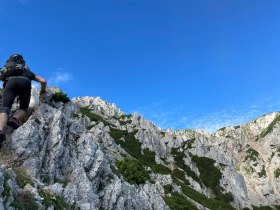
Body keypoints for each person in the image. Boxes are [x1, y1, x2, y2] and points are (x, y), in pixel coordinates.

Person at [0, 54, 47, 142]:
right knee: (23, 107)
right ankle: (14, 119)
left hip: (10, 83)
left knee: (5, 109)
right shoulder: (26, 70)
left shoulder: (7, 68)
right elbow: (43, 81)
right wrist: (43, 91)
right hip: (25, 83)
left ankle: (0, 131)